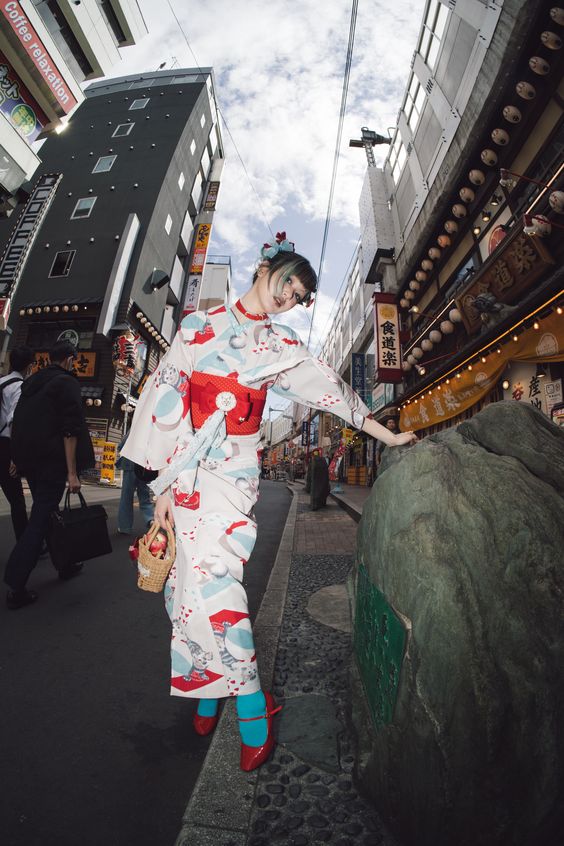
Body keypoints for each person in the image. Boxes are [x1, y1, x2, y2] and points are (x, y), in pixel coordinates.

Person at [122, 233, 417, 771]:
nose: (290, 297)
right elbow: (162, 400)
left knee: (216, 584)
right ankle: (208, 689)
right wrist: (161, 488)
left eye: (301, 295)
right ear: (266, 268)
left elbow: (330, 388)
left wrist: (385, 433)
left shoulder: (281, 347)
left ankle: (251, 705)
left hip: (232, 475)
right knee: (186, 588)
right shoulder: (197, 327)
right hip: (186, 470)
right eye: (289, 282)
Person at [5, 341, 95, 609]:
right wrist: (72, 473)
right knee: (40, 520)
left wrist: (16, 458)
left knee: (47, 513)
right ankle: (16, 584)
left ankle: (65, 565)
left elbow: (17, 421)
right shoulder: (66, 383)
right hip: (53, 464)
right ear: (69, 359)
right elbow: (70, 429)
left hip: (30, 461)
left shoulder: (31, 383)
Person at [0, 346, 35, 540]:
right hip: (5, 448)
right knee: (16, 500)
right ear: (29, 366)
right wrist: (15, 456)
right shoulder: (20, 387)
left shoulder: (1, 381)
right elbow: (14, 420)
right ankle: (25, 544)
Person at [116, 438, 155, 534]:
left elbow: (121, 446)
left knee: (126, 497)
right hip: (144, 468)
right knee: (144, 497)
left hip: (130, 466)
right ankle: (150, 520)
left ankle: (125, 527)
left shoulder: (135, 426)